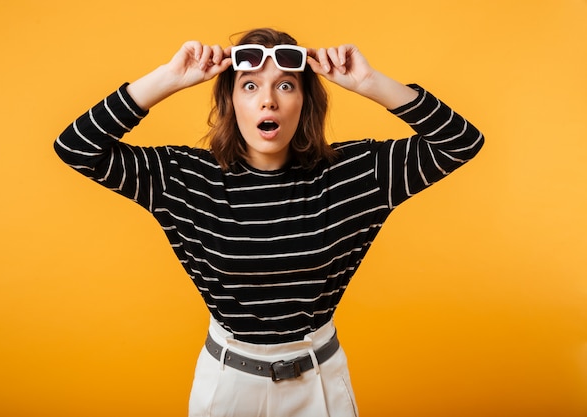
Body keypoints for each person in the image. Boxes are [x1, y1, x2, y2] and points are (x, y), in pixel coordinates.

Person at [54, 27, 484, 417]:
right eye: (250, 86)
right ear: (231, 101)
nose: (268, 100)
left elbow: (460, 142)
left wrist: (371, 84)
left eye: (285, 85)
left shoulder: (354, 174)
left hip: (319, 386)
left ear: (304, 100)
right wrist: (169, 78)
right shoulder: (185, 178)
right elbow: (76, 148)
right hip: (228, 384)